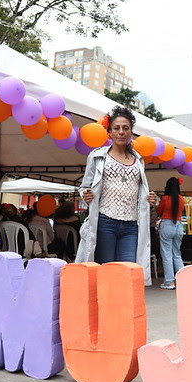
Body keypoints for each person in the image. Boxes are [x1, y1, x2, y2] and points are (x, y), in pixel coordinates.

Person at [76, 106, 157, 284]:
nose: (121, 132)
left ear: (131, 132)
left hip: (131, 226)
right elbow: (84, 187)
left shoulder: (139, 160)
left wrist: (151, 199)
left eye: (126, 128)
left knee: (128, 272)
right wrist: (86, 195)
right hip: (105, 222)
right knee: (106, 271)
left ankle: (122, 311)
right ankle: (106, 310)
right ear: (109, 132)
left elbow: (141, 192)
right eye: (116, 128)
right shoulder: (97, 157)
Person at [157, 177, 186, 290]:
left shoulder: (165, 198)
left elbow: (159, 211)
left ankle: (169, 282)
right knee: (177, 254)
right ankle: (183, 280)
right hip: (179, 225)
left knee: (167, 255)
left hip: (167, 225)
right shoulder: (182, 199)